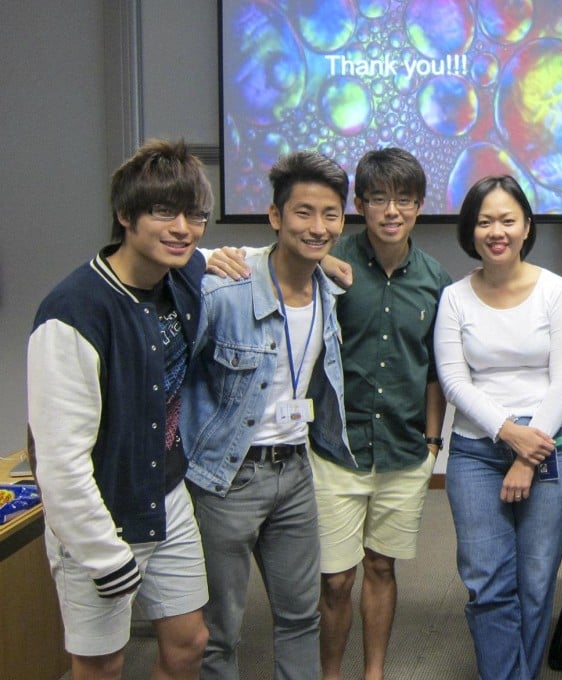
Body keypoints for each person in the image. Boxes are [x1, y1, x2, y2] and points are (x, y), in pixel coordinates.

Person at [207, 147, 451, 680]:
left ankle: (375, 672)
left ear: (419, 207)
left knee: (383, 568)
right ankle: (331, 673)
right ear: (360, 205)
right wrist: (209, 255)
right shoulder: (330, 268)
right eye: (379, 199)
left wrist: (433, 444)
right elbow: (276, 259)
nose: (392, 211)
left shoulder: (437, 281)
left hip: (404, 451)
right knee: (334, 579)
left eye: (404, 201)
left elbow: (435, 369)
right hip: (331, 450)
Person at [26, 139, 212, 680]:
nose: (183, 228)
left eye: (195, 215)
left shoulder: (180, 273)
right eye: (164, 212)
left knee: (189, 642)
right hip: (100, 509)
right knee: (102, 664)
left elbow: (228, 257)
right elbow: (59, 461)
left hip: (166, 494)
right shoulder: (73, 313)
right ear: (126, 215)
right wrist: (104, 556)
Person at [181, 151, 355, 679]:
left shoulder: (329, 291)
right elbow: (172, 375)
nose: (317, 226)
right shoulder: (224, 288)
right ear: (276, 216)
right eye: (303, 212)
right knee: (220, 629)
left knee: (301, 616)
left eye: (330, 214)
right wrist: (196, 260)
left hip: (295, 471)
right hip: (228, 478)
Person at [434, 175, 562, 680]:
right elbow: (454, 380)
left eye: (507, 220)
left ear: (525, 227)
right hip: (477, 451)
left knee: (536, 581)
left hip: (552, 446)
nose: (496, 231)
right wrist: (507, 432)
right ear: (470, 230)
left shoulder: (556, 290)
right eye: (484, 221)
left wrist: (527, 453)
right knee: (486, 581)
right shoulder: (455, 298)